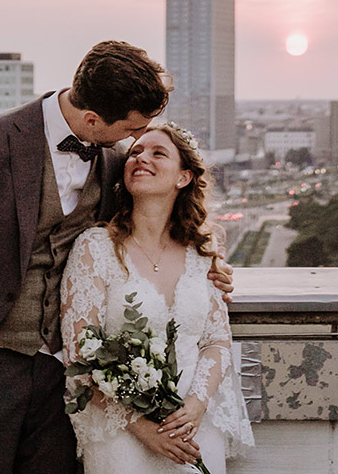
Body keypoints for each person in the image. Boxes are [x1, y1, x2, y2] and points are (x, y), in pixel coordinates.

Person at [0, 41, 234, 474]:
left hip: (62, 381)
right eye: (131, 131)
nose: (135, 143)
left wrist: (204, 268)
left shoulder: (112, 159)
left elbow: (152, 230)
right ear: (91, 119)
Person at [60, 123, 254, 473]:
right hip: (121, 433)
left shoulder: (201, 254)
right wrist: (143, 428)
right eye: (135, 152)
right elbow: (80, 354)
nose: (140, 158)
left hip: (192, 427)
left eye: (157, 153)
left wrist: (195, 406)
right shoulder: (95, 248)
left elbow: (216, 341)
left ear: (183, 177)